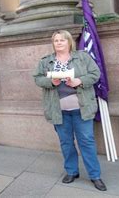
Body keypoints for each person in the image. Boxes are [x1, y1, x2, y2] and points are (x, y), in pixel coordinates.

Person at [33, 30, 107, 191]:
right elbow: (37, 78)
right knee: (66, 142)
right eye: (56, 40)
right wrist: (51, 81)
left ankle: (95, 176)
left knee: (86, 142)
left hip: (81, 108)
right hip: (59, 111)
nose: (59, 43)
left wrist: (79, 81)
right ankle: (72, 172)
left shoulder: (82, 57)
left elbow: (96, 73)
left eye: (62, 40)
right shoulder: (46, 61)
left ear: (69, 42)